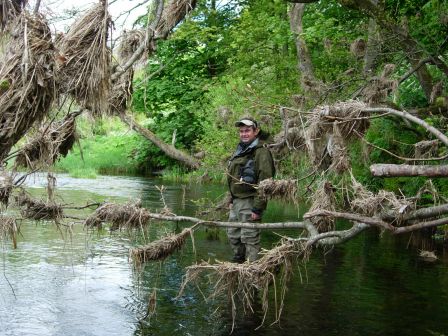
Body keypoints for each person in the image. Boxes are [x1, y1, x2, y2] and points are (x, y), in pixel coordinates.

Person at [226, 117, 275, 262]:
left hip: (250, 201)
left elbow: (266, 183)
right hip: (236, 202)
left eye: (247, 130)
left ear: (256, 131)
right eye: (241, 131)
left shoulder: (261, 152)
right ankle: (239, 264)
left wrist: (258, 208)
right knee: (233, 234)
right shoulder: (241, 149)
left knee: (250, 237)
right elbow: (233, 176)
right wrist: (231, 199)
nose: (244, 134)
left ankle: (252, 269)